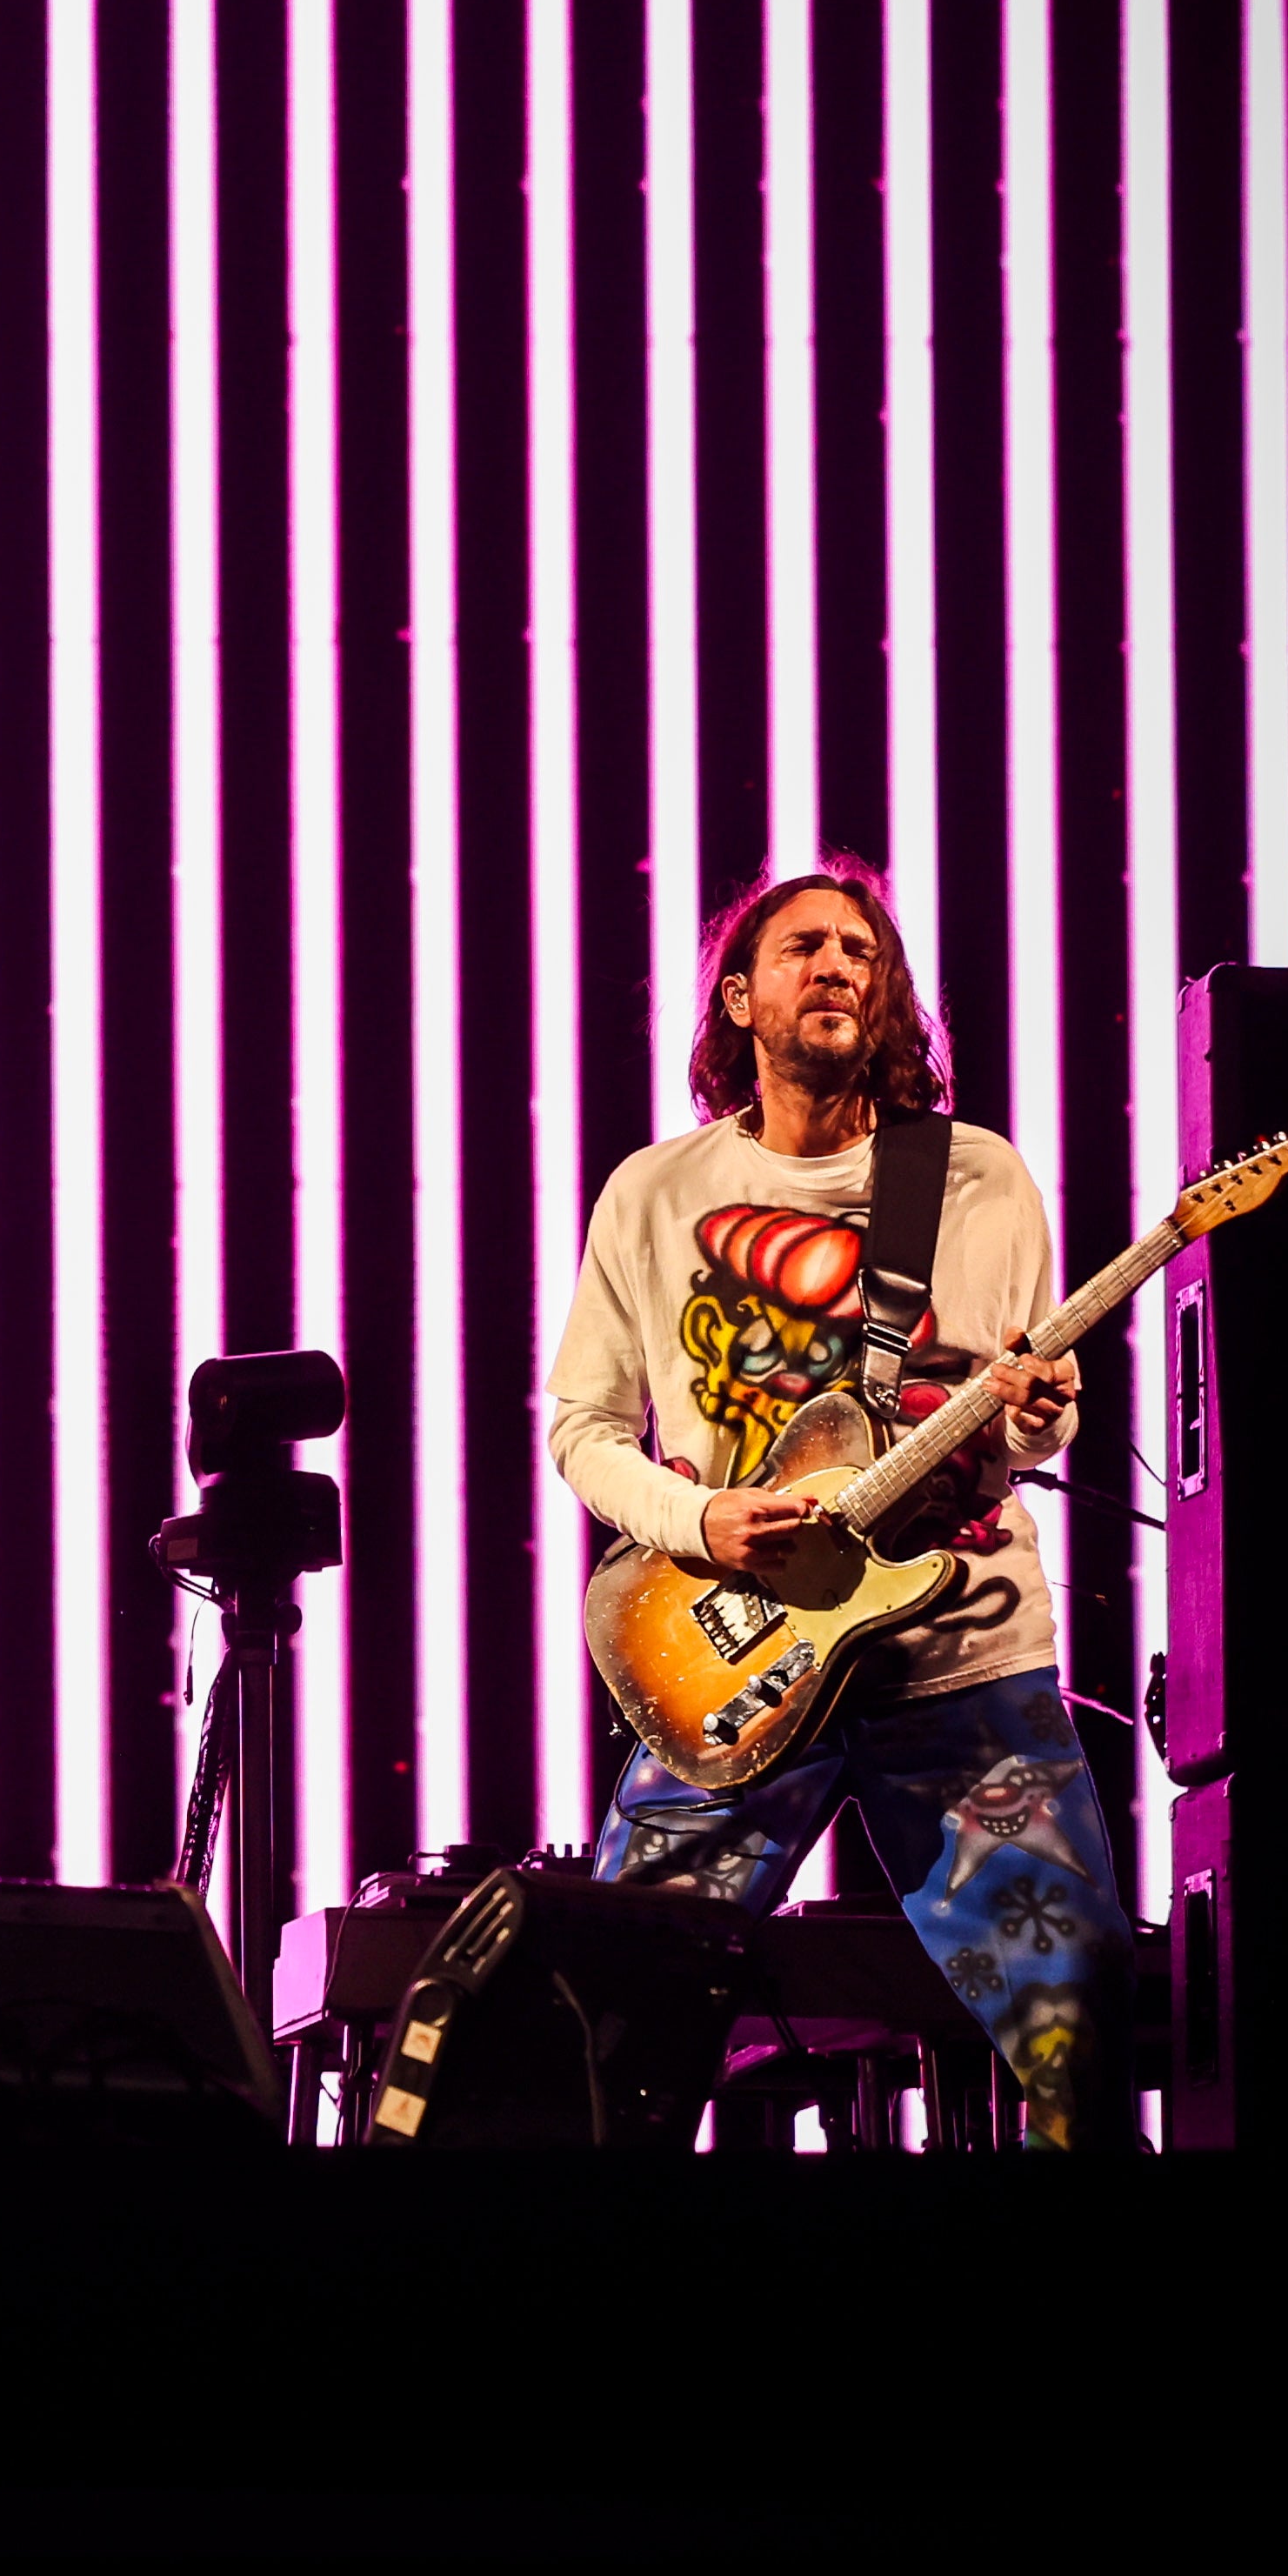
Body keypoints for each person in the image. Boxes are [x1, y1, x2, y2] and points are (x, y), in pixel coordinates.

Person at [548, 859, 1132, 2148]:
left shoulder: (972, 1175)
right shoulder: (652, 1191)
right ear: (740, 995)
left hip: (961, 1659)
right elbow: (582, 1429)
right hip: (738, 1658)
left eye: (861, 953)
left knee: (1072, 2043)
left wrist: (1036, 1411)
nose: (836, 966)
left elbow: (1038, 1403)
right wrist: (703, 1523)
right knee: (608, 2043)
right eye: (804, 946)